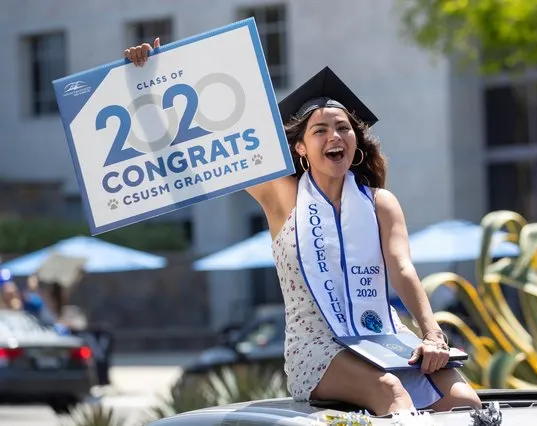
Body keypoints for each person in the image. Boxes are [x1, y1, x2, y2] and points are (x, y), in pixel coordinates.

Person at [124, 39, 481, 415]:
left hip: (382, 335)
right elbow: (207, 142)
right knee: (390, 391)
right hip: (317, 347)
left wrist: (432, 334)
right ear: (300, 148)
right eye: (320, 130)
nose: (334, 137)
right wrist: (156, 76)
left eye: (343, 128)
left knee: (464, 402)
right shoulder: (282, 197)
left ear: (355, 141)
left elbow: (402, 268)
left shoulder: (378, 204)